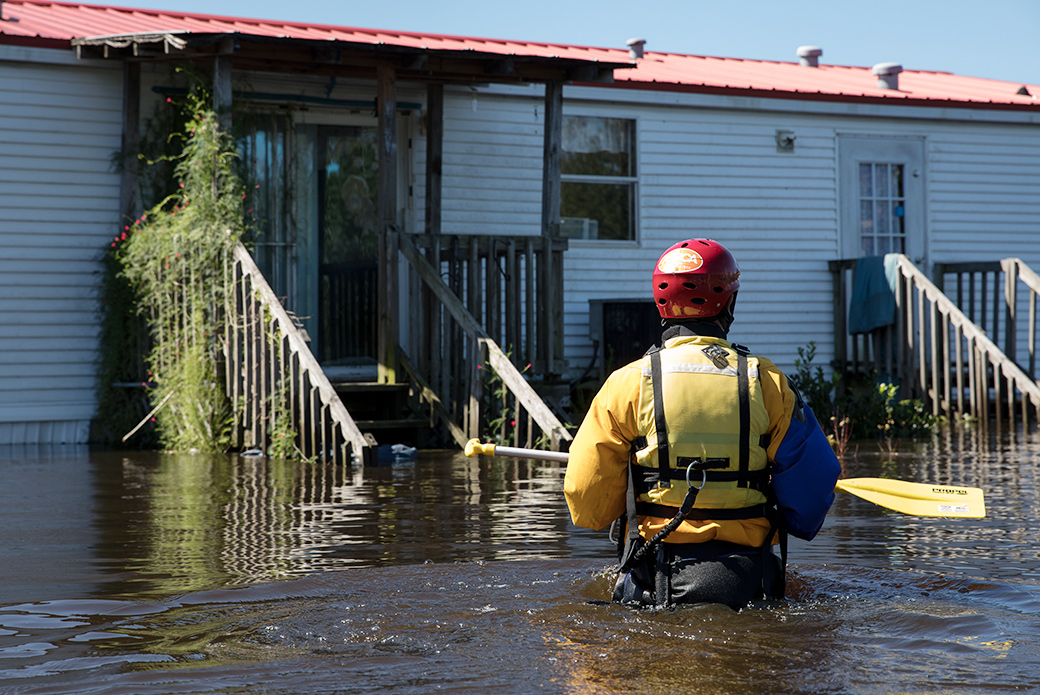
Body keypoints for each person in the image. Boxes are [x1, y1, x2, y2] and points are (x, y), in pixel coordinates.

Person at [564, 238, 841, 609]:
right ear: (728, 301)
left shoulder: (626, 384)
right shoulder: (769, 383)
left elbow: (588, 505)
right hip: (749, 580)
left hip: (653, 578)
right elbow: (810, 500)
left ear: (660, 303)